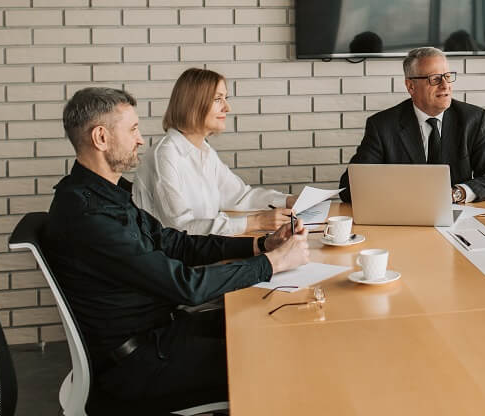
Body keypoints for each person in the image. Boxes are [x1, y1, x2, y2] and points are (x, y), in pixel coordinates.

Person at [43, 87, 309, 415]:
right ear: (101, 137)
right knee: (279, 361)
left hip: (161, 333)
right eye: (133, 129)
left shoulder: (105, 195)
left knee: (273, 327)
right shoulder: (89, 216)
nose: (140, 139)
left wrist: (259, 245)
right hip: (137, 366)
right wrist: (271, 263)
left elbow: (175, 243)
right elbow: (186, 285)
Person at [133, 68, 296, 235]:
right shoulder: (165, 155)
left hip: (204, 250)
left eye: (225, 98)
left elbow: (238, 196)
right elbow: (181, 228)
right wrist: (256, 222)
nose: (227, 108)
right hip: (175, 259)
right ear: (193, 104)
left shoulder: (205, 151)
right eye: (218, 99)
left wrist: (288, 200)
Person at [339, 47, 485, 203]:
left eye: (448, 76)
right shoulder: (382, 126)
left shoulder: (473, 119)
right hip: (403, 217)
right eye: (435, 79)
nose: (445, 85)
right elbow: (349, 188)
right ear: (411, 86)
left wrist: (457, 193)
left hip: (456, 216)